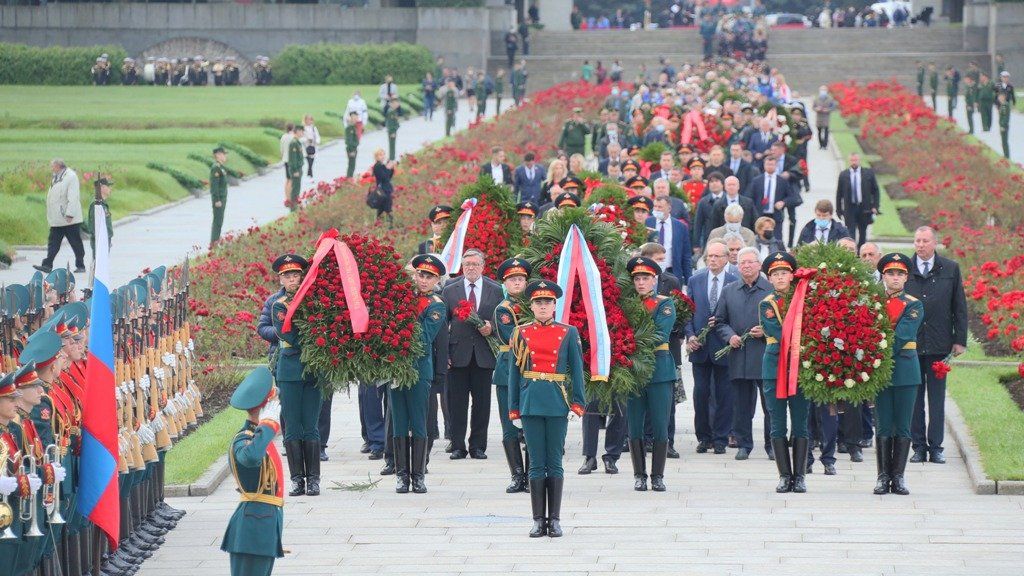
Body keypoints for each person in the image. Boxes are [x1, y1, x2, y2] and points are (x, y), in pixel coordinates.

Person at [508, 280, 585, 538]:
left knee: (555, 462)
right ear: (531, 306)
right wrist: (513, 409)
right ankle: (538, 520)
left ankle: (555, 519)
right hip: (531, 402)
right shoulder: (520, 332)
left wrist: (578, 403)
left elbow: (577, 370)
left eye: (547, 302)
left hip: (556, 400)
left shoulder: (568, 332)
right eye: (538, 302)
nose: (543, 306)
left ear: (554, 306)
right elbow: (514, 374)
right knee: (535, 463)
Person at [904, 226, 968, 464]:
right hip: (911, 344)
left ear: (934, 243)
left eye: (925, 241)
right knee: (914, 398)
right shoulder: (905, 269)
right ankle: (918, 446)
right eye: (917, 241)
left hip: (939, 343)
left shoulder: (950, 268)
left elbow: (959, 306)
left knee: (937, 399)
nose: (920, 245)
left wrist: (959, 339)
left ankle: (936, 446)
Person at [389, 255, 447, 494]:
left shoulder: (437, 304)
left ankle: (419, 474)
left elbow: (423, 338)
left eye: (429, 277)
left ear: (437, 280)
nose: (423, 280)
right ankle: (402, 475)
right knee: (399, 421)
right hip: (396, 367)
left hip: (419, 368)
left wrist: (401, 321)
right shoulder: (401, 299)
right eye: (420, 275)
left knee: (419, 421)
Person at [220, 367, 284, 576]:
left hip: (263, 527)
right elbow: (250, 457)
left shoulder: (257, 436)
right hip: (252, 530)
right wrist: (267, 426)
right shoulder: (245, 438)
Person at [271, 254, 323, 497]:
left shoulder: (314, 301)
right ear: (280, 279)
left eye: (295, 275)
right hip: (290, 371)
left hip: (313, 371)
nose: (292, 279)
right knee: (292, 426)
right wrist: (316, 342)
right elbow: (288, 335)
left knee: (310, 424)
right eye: (287, 276)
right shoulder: (279, 305)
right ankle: (296, 479)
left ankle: (313, 479)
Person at [441, 249, 502, 460]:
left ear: (483, 266)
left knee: (482, 404)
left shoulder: (495, 290)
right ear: (462, 266)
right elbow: (443, 323)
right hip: (457, 354)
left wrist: (491, 326)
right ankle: (458, 445)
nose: (471, 268)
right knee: (456, 403)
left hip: (484, 355)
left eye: (475, 264)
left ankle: (477, 446)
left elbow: (502, 319)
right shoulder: (450, 290)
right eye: (467, 264)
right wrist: (444, 353)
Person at [715, 246, 774, 460]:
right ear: (737, 266)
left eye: (751, 262)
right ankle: (744, 444)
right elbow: (719, 321)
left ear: (759, 264)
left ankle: (772, 445)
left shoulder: (770, 289)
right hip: (739, 355)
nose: (746, 266)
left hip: (765, 355)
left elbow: (782, 322)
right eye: (742, 263)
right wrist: (729, 336)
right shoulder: (729, 290)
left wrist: (766, 331)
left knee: (770, 406)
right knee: (741, 405)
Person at [873, 253, 925, 496]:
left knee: (903, 425)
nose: (895, 277)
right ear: (883, 275)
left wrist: (876, 353)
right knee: (883, 424)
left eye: (900, 273)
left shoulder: (913, 304)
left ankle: (899, 476)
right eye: (890, 273)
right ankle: (883, 476)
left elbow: (903, 334)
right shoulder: (873, 301)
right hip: (880, 372)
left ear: (906, 277)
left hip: (904, 370)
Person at [625, 257, 676, 492]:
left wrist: (628, 342)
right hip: (633, 371)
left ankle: (657, 475)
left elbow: (660, 335)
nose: (641, 282)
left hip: (659, 370)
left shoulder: (664, 304)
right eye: (637, 278)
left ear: (654, 280)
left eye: (645, 278)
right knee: (634, 425)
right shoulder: (627, 304)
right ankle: (639, 474)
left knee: (659, 424)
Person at [759, 251, 809, 493]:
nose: (780, 277)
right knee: (777, 423)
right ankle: (784, 475)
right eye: (776, 274)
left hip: (799, 369)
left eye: (785, 273)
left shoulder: (803, 299)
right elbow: (778, 334)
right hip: (775, 368)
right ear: (769, 279)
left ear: (792, 276)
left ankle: (799, 476)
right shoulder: (767, 304)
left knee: (800, 423)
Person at [685, 240, 737, 455]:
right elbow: (687, 312)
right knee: (701, 393)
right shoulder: (695, 280)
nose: (712, 260)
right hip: (700, 347)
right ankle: (703, 437)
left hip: (724, 348)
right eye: (709, 256)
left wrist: (732, 337)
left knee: (724, 395)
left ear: (726, 258)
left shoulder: (734, 281)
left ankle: (720, 438)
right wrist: (690, 335)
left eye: (717, 256)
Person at [492, 258, 532, 493]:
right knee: (510, 426)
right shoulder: (503, 310)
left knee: (529, 427)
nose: (517, 283)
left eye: (520, 279)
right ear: (505, 284)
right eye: (512, 280)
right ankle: (517, 474)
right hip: (508, 370)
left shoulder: (535, 304)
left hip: (530, 372)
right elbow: (512, 338)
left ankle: (531, 473)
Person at [35, 159, 85, 274]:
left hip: (69, 219)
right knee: (53, 242)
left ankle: (80, 265)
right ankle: (47, 264)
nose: (51, 168)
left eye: (53, 166)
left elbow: (73, 196)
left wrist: (70, 213)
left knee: (75, 242)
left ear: (58, 166)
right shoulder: (56, 176)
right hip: (58, 219)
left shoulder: (71, 177)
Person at [745, 154, 798, 246]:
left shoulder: (782, 181)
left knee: (776, 241)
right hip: (760, 215)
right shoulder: (757, 180)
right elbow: (749, 197)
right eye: (768, 164)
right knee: (758, 240)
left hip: (776, 216)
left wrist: (783, 202)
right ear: (764, 165)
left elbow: (792, 197)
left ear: (776, 165)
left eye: (772, 164)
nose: (770, 166)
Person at [835, 153, 879, 248]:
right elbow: (839, 194)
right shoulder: (844, 175)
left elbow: (875, 191)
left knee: (863, 232)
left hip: (864, 208)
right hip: (850, 208)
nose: (854, 162)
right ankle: (852, 252)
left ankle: (861, 252)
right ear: (849, 161)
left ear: (859, 160)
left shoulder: (868, 173)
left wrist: (875, 206)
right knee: (851, 233)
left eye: (855, 160)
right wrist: (838, 210)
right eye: (852, 160)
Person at [647, 196, 692, 283]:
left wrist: (688, 280)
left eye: (660, 207)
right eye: (655, 206)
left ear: (669, 208)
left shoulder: (680, 227)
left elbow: (686, 255)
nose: (657, 209)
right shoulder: (648, 222)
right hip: (651, 271)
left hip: (673, 272)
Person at [85, 176, 114, 259]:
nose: (110, 189)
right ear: (101, 187)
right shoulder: (96, 204)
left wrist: (108, 239)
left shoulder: (103, 203)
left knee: (103, 265)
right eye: (108, 186)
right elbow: (94, 225)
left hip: (104, 239)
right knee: (98, 266)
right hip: (100, 241)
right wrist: (100, 240)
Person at [371, 149, 396, 226]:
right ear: (376, 157)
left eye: (383, 154)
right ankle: (390, 225)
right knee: (387, 207)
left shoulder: (382, 165)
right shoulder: (377, 166)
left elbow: (389, 177)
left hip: (386, 189)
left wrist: (391, 168)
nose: (383, 156)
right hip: (383, 190)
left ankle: (378, 224)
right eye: (380, 155)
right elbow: (384, 177)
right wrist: (388, 168)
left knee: (381, 208)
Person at [287, 125, 304, 212]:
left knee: (297, 188)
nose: (302, 133)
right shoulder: (294, 143)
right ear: (297, 131)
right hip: (296, 170)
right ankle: (293, 208)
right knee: (295, 189)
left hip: (299, 168)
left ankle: (295, 205)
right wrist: (295, 170)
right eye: (301, 131)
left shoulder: (297, 142)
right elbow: (293, 159)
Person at [385, 96, 402, 161]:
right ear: (392, 103)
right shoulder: (391, 112)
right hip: (392, 131)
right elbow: (390, 123)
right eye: (396, 103)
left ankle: (392, 157)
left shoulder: (393, 111)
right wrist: (392, 132)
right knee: (392, 145)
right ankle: (391, 158)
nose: (397, 104)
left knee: (393, 145)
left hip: (393, 130)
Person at [344, 111, 360, 179]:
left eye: (356, 117)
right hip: (351, 149)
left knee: (352, 165)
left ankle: (350, 178)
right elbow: (349, 141)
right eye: (353, 117)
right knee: (351, 165)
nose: (355, 118)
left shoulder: (354, 127)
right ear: (350, 118)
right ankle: (349, 179)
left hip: (354, 148)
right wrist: (352, 150)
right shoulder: (350, 128)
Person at [997, 91, 1011, 159]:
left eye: (1000, 97)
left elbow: (1005, 117)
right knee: (1003, 142)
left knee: (1004, 142)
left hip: (1004, 126)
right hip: (1002, 126)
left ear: (1003, 97)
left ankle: (1007, 156)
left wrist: (1002, 125)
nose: (999, 98)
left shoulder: (1005, 105)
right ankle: (1005, 155)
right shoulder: (1002, 105)